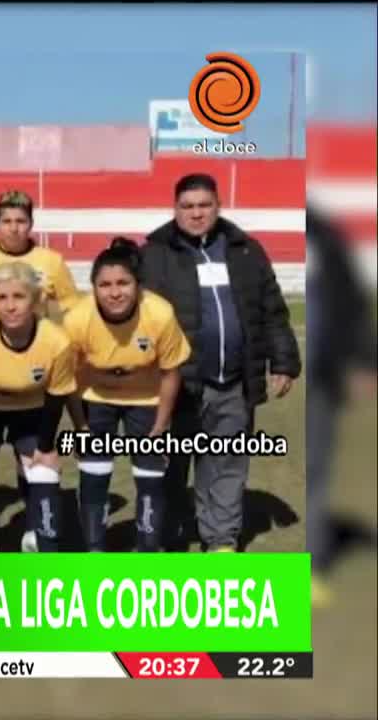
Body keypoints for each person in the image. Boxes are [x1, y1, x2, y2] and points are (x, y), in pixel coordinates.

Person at [140, 173, 301, 553]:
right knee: (170, 465)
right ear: (175, 209)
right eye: (188, 207)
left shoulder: (246, 250)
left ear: (218, 206)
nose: (196, 214)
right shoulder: (153, 254)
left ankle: (221, 541)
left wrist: (283, 361)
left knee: (227, 464)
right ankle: (168, 535)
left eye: (204, 205)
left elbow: (272, 310)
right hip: (177, 385)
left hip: (233, 382)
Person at [0, 189, 80, 551]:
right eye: (6, 221)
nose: (13, 228)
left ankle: (37, 536)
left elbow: (73, 310)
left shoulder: (51, 262)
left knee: (38, 463)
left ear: (31, 224)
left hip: (32, 383)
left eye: (20, 221)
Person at [62, 238, 191, 552]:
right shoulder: (77, 319)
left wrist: (160, 426)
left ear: (138, 285)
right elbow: (69, 378)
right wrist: (80, 426)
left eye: (123, 282)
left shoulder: (159, 313)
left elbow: (171, 371)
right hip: (96, 398)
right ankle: (95, 549)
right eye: (104, 284)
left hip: (147, 399)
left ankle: (147, 549)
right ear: (93, 287)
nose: (114, 291)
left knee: (149, 476)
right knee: (94, 474)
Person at [303, 205, 378, 604]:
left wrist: (365, 361)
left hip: (323, 379)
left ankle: (311, 569)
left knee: (317, 469)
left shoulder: (326, 236)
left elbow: (352, 303)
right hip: (272, 375)